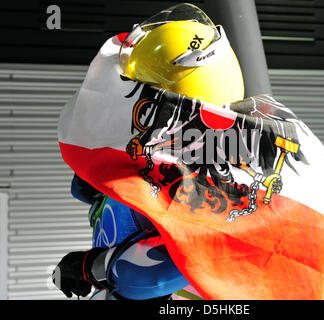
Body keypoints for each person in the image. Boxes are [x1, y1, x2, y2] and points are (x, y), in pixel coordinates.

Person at [53, 3, 244, 300]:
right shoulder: (162, 153)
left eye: (140, 90)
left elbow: (159, 271)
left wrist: (90, 268)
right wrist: (101, 190)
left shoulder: (219, 179)